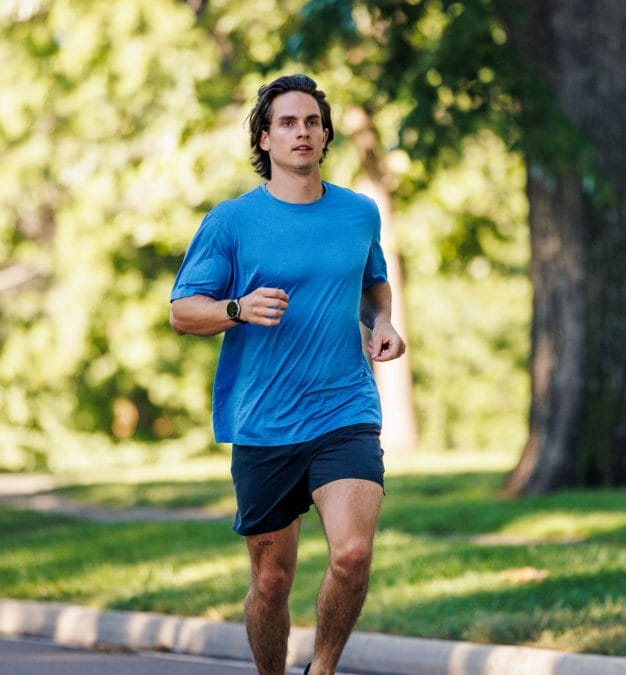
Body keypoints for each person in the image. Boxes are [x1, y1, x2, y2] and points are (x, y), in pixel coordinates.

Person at [169, 74, 406, 675]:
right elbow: (181, 311)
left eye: (311, 122)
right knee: (271, 582)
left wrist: (380, 323)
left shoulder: (358, 213)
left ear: (325, 135)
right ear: (265, 137)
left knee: (352, 555)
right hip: (264, 421)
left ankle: (321, 670)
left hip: (343, 411)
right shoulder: (231, 222)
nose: (301, 132)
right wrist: (236, 309)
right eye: (287, 123)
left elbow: (372, 285)